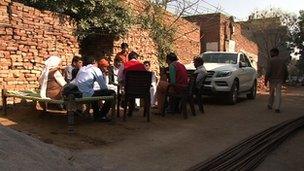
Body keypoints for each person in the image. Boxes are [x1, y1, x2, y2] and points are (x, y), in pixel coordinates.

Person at [72, 56, 115, 122]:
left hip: (78, 93)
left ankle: (97, 114)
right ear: (94, 62)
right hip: (86, 94)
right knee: (112, 93)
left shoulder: (82, 69)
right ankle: (102, 115)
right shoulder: (95, 69)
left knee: (93, 93)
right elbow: (103, 87)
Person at [117, 51, 146, 115]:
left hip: (129, 89)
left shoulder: (124, 65)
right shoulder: (142, 66)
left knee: (129, 87)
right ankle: (145, 112)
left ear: (129, 58)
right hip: (142, 90)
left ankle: (129, 110)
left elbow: (119, 78)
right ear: (136, 58)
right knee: (134, 87)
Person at [265, 48, 288, 113]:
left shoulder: (271, 61)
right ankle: (277, 108)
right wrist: (285, 79)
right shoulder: (282, 61)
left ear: (275, 53)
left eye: (271, 53)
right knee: (278, 94)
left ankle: (270, 104)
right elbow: (286, 71)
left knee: (271, 93)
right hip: (280, 79)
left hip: (272, 80)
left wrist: (266, 80)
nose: (270, 54)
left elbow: (268, 71)